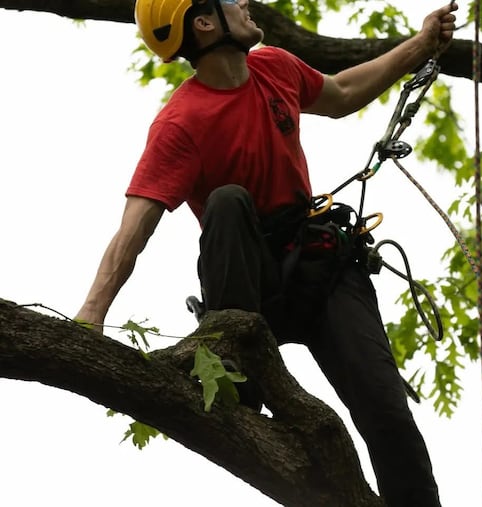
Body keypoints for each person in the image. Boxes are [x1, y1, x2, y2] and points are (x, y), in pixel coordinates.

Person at [75, 0, 457, 505]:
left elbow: (341, 93)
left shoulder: (273, 67)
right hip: (248, 278)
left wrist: (421, 44)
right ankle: (239, 357)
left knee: (387, 413)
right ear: (205, 22)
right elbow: (133, 231)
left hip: (318, 265)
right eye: (230, 0)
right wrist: (90, 316)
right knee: (227, 203)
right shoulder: (181, 124)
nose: (246, 3)